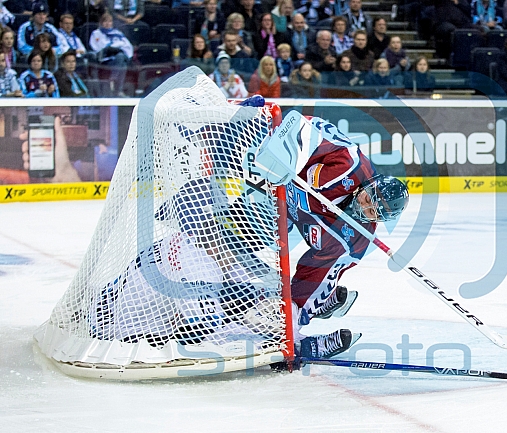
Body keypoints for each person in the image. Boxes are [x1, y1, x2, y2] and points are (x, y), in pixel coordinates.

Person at [254, 110, 409, 358]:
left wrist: (297, 310)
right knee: (234, 241)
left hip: (286, 212)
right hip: (270, 187)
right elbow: (305, 125)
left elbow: (319, 275)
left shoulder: (355, 241)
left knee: (314, 282)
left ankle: (298, 322)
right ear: (370, 184)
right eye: (369, 199)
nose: (364, 207)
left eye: (373, 212)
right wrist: (284, 151)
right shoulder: (348, 164)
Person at [88, 179, 274, 348]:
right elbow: (208, 334)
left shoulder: (194, 241)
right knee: (203, 329)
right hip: (116, 333)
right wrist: (269, 341)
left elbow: (246, 292)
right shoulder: (197, 267)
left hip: (106, 305)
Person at [89, 13, 134, 97]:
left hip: (117, 59)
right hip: (105, 60)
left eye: (109, 21)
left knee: (123, 62)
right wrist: (113, 47)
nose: (107, 23)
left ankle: (115, 85)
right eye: (105, 21)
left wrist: (116, 47)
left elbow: (127, 46)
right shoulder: (96, 33)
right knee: (121, 59)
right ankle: (116, 87)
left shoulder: (117, 33)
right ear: (101, 22)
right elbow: (98, 47)